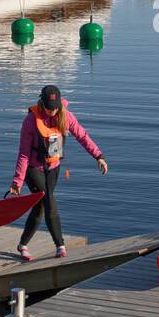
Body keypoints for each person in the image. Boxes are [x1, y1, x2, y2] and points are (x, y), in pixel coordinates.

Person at [8, 84, 108, 261]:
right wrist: (17, 183)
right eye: (48, 108)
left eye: (55, 108)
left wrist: (98, 156)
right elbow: (23, 153)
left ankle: (22, 244)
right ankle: (60, 246)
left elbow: (82, 136)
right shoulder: (31, 121)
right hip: (34, 168)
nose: (52, 112)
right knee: (49, 201)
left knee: (39, 207)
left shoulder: (65, 115)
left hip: (53, 168)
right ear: (42, 103)